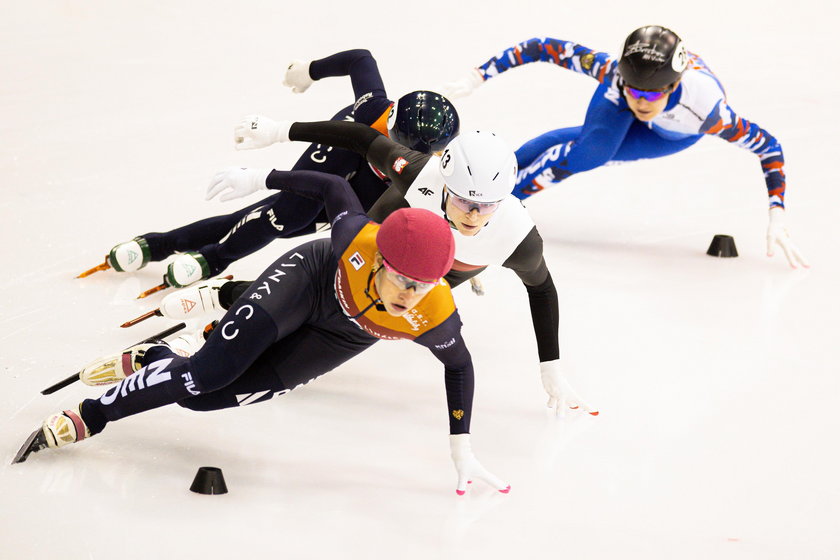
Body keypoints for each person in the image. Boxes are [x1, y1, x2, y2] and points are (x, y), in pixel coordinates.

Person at [15, 169, 508, 496]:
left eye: (423, 285)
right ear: (381, 257)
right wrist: (262, 177)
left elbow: (460, 366)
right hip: (309, 279)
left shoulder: (434, 312)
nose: (410, 295)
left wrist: (461, 444)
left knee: (201, 400)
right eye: (403, 278)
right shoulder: (357, 239)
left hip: (343, 336)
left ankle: (160, 359)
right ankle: (92, 413)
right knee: (207, 376)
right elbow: (335, 187)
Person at [228, 116, 598, 416]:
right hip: (377, 241)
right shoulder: (422, 172)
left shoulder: (517, 237)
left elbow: (542, 289)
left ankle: (233, 310)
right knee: (314, 292)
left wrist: (550, 363)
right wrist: (280, 131)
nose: (472, 214)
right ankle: (224, 299)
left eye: (486, 206)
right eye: (463, 200)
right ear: (444, 183)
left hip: (421, 279)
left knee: (343, 321)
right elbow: (360, 137)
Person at [442, 26, 809, 269]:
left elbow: (770, 147)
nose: (641, 102)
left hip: (671, 133)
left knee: (583, 151)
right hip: (619, 105)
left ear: (673, 85)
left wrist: (778, 213)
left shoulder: (707, 112)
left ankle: (495, 202)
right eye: (633, 90)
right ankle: (485, 194)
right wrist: (477, 76)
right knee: (589, 150)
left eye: (651, 94)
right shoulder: (616, 76)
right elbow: (542, 48)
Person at [90, 48, 459, 289]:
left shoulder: (431, 167)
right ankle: (209, 258)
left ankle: (161, 244)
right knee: (286, 212)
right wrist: (309, 72)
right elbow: (361, 60)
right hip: (346, 146)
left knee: (284, 224)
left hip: (377, 186)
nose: (402, 157)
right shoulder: (370, 113)